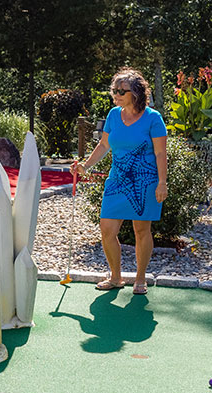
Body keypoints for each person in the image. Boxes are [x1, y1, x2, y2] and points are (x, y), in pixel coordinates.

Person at [71, 68, 168, 295]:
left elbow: (160, 154)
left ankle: (140, 279)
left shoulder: (153, 119)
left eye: (120, 91)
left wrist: (162, 182)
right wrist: (86, 165)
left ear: (135, 92)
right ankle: (115, 277)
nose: (115, 95)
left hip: (145, 181)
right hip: (117, 180)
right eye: (114, 90)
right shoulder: (114, 115)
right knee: (107, 228)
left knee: (141, 230)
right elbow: (104, 145)